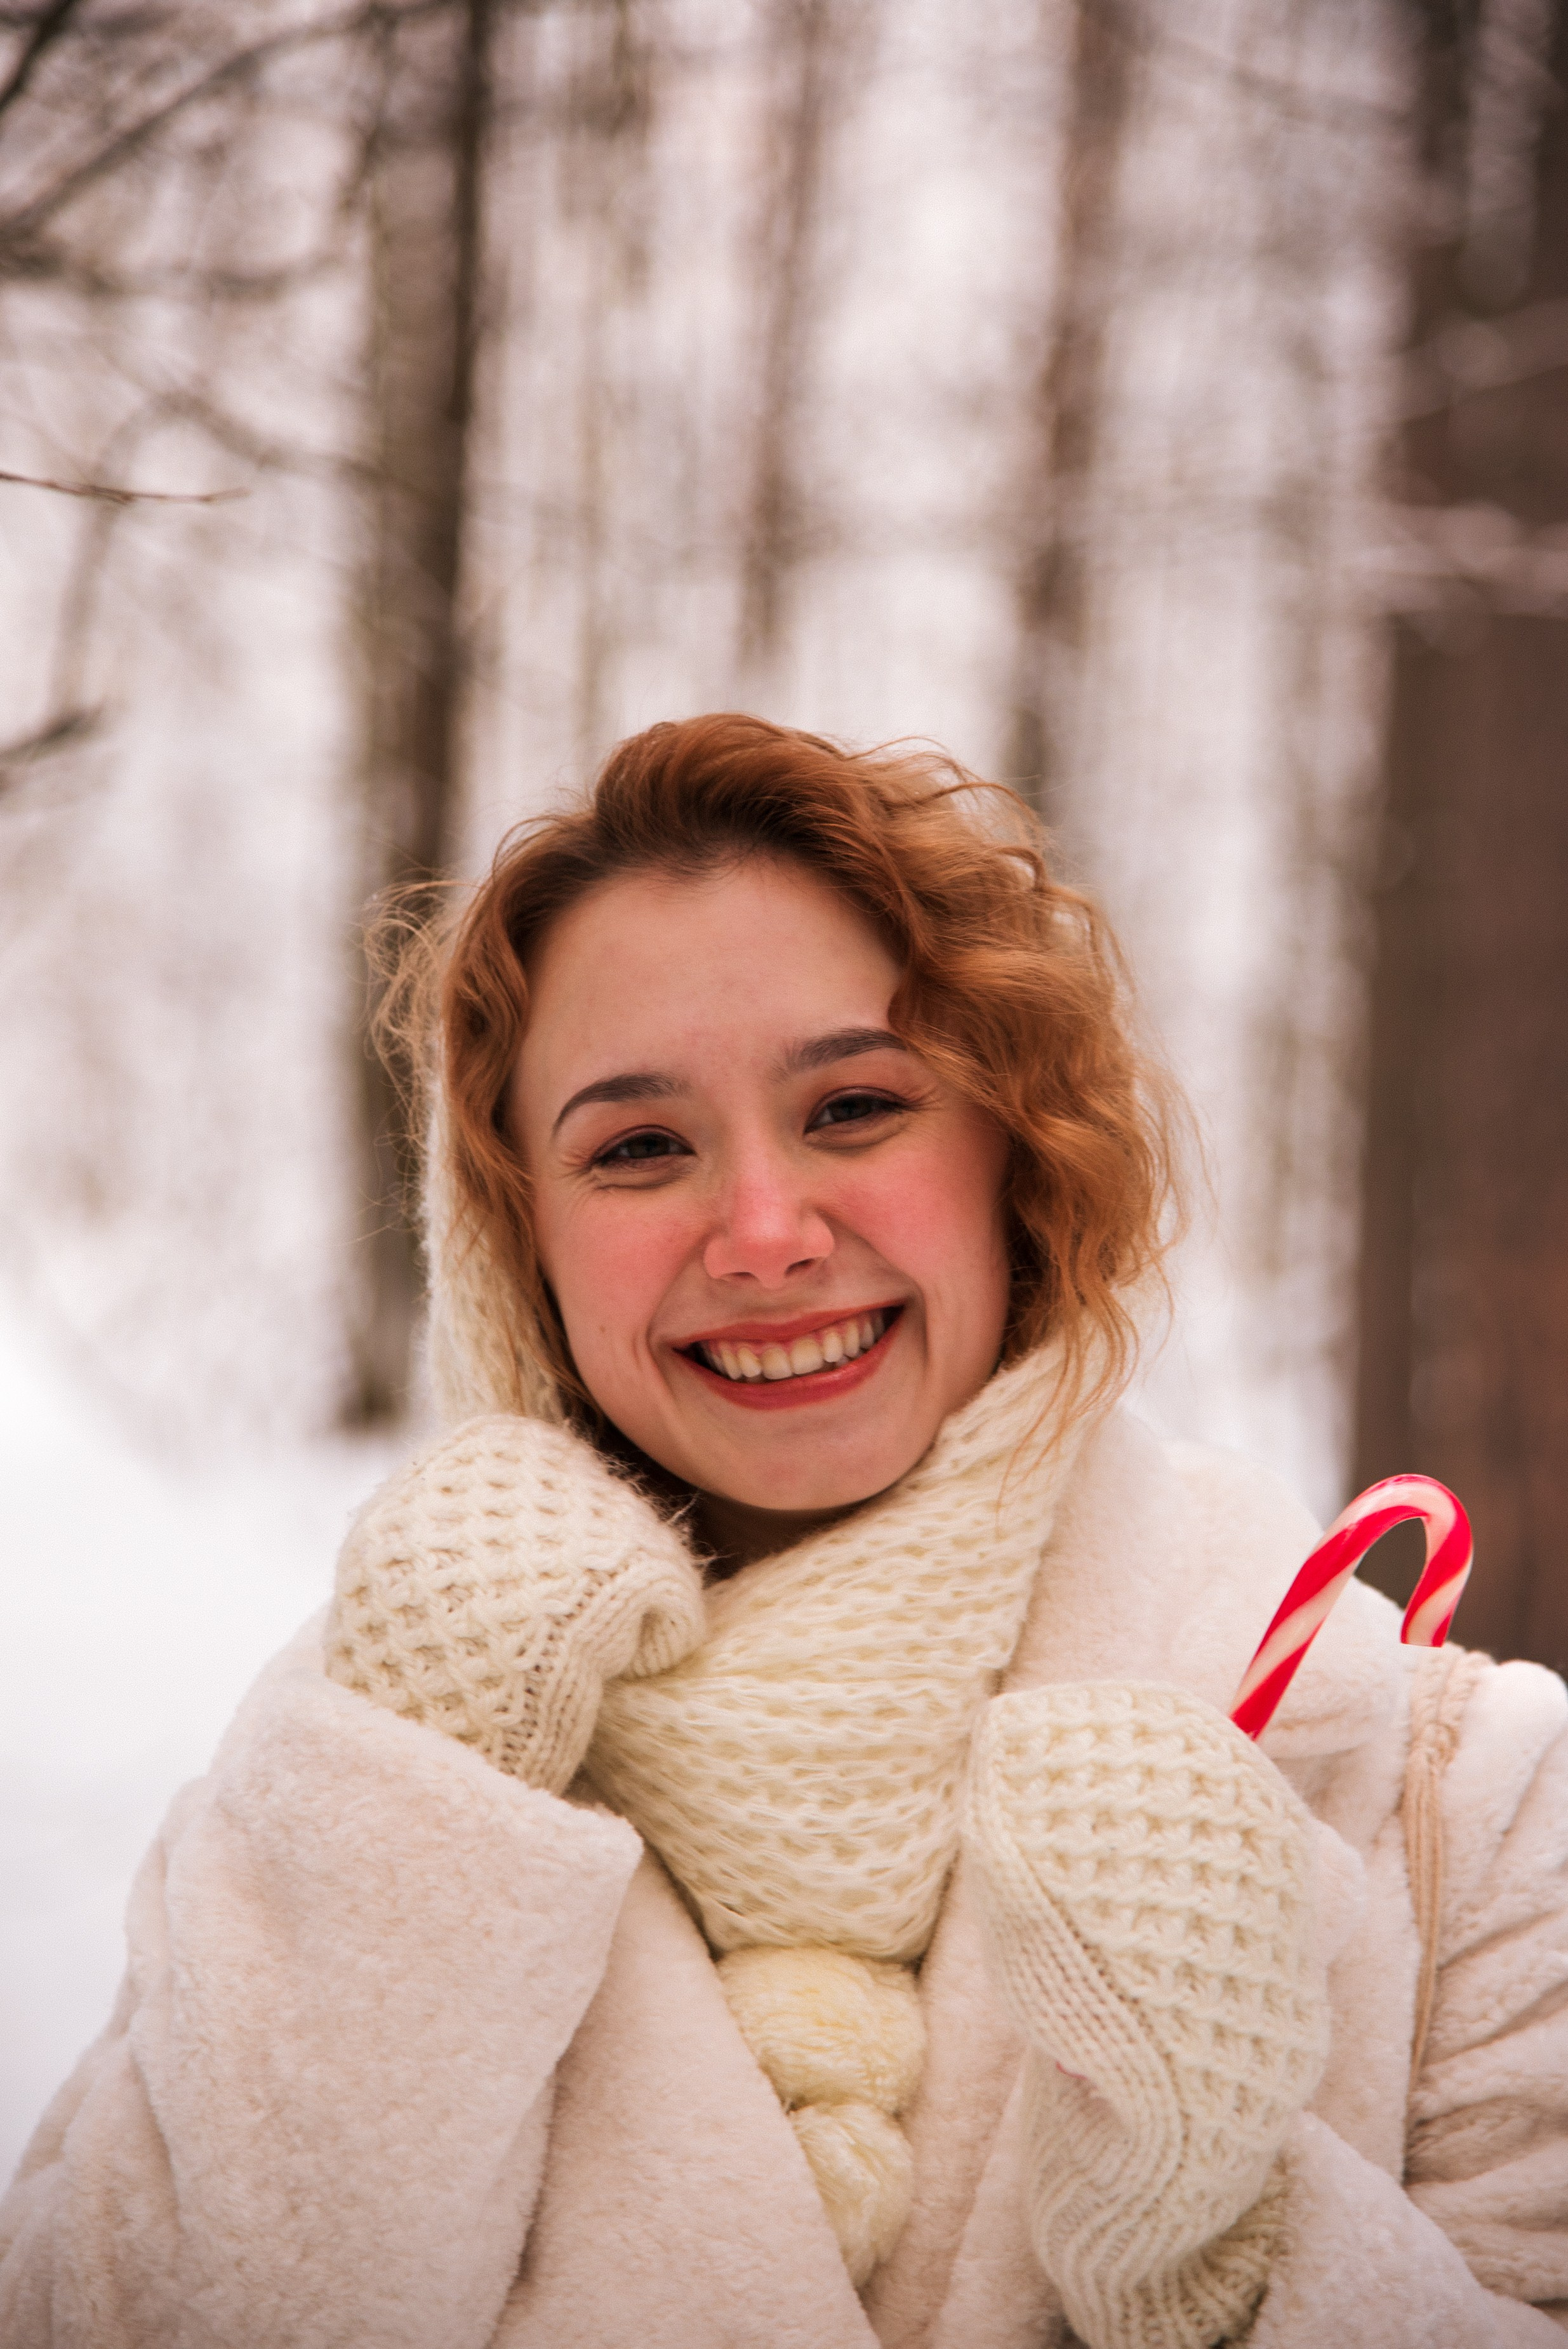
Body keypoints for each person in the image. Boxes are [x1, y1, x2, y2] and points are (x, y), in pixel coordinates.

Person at [3, 714, 1566, 2349]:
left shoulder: (1447, 1802)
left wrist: (1225, 2264)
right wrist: (412, 1817)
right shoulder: (367, 1747)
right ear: (519, 1239)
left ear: (1017, 1152)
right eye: (639, 1147)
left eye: (855, 1108)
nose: (763, 1234)